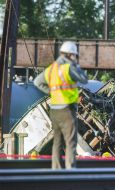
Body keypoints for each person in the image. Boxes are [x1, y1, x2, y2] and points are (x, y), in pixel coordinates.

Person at [34, 41, 88, 169]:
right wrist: (77, 66)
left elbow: (37, 82)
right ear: (70, 55)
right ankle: (70, 170)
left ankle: (56, 170)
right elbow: (84, 79)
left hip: (55, 110)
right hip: (67, 109)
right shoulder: (69, 68)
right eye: (74, 55)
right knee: (70, 141)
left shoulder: (51, 68)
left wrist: (52, 92)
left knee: (57, 141)